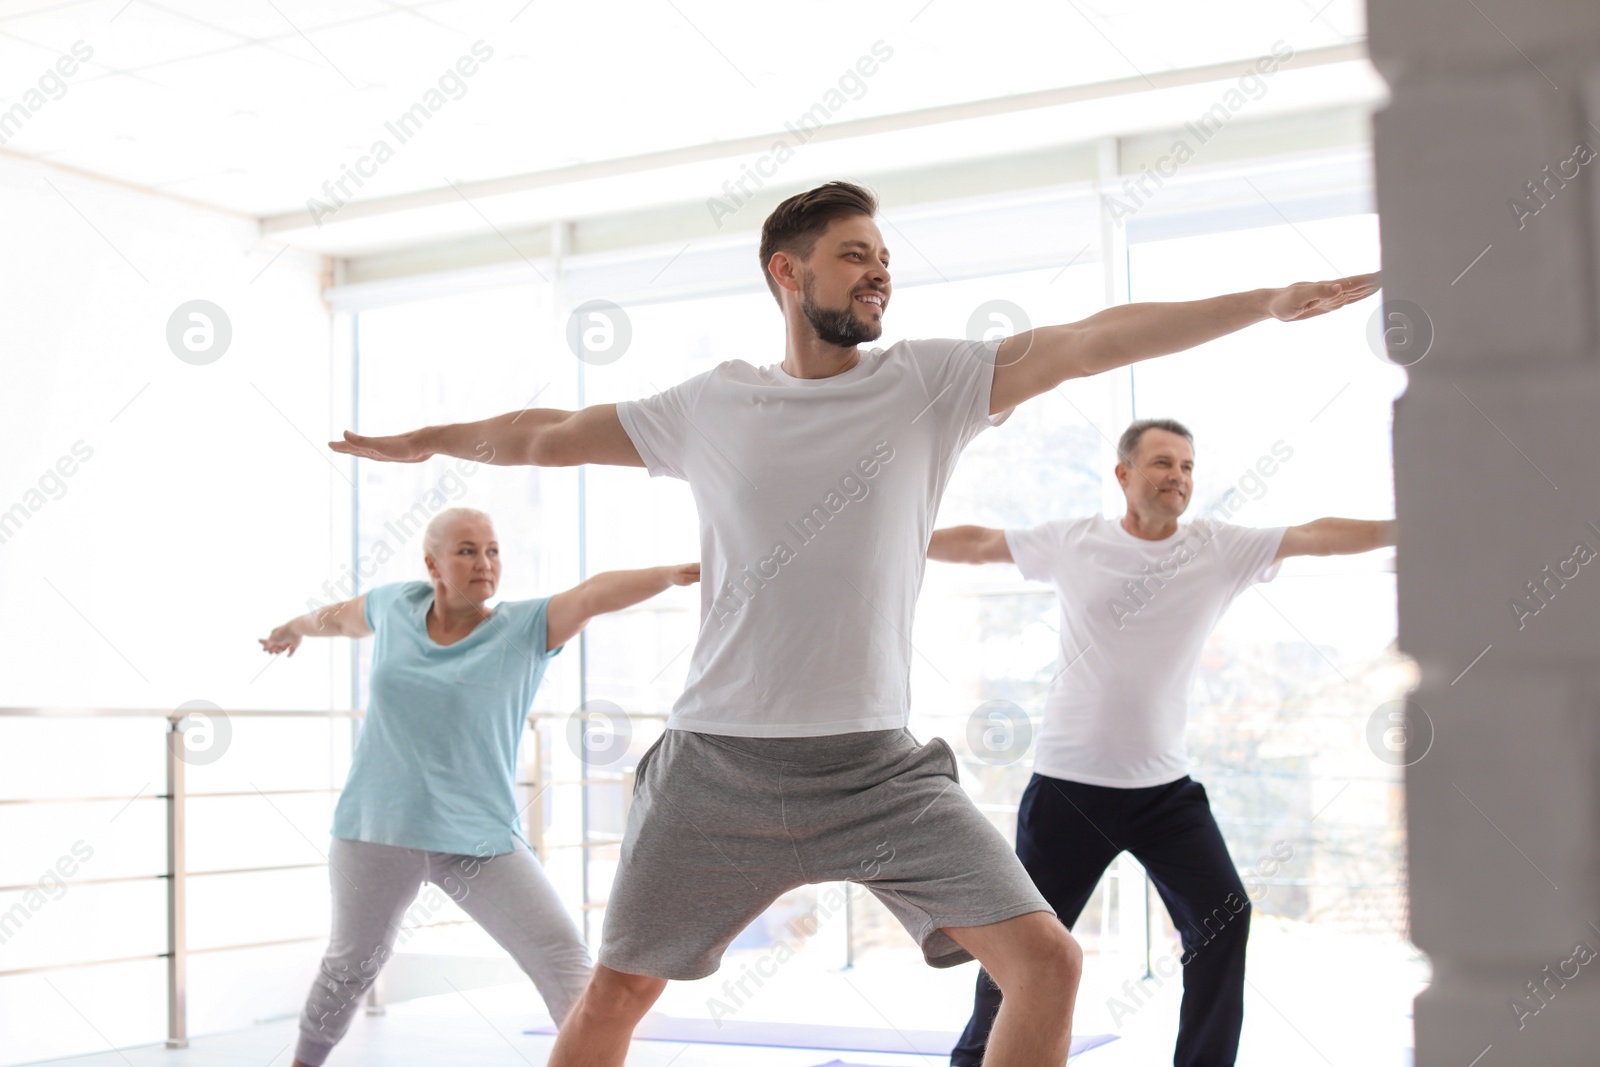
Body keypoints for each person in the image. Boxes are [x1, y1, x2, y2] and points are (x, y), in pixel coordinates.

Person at [327, 181, 1377, 1067]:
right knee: (611, 1000)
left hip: (879, 768)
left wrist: (1268, 298)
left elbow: (1093, 338)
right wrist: (425, 439)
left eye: (883, 258)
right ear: (787, 273)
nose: (878, 272)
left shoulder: (929, 383)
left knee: (1047, 962)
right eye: (853, 256)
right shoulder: (714, 403)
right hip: (717, 767)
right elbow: (547, 431)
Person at [931, 418, 1395, 1067]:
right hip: (1069, 789)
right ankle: (976, 1060)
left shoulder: (1218, 547)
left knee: (1224, 921)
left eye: (1186, 466)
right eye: (1161, 463)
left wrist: (1412, 522)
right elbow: (981, 543)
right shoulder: (1076, 540)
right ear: (1124, 474)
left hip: (1165, 794)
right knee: (1023, 947)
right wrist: (900, 538)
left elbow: (1316, 534)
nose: (1177, 475)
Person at [257, 506, 698, 1067]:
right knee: (349, 968)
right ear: (432, 563)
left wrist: (667, 574)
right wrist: (291, 628)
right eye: (467, 550)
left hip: (478, 839)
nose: (484, 563)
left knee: (564, 959)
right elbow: (339, 619)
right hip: (375, 829)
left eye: (492, 550)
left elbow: (591, 595)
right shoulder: (395, 605)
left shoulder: (522, 627)